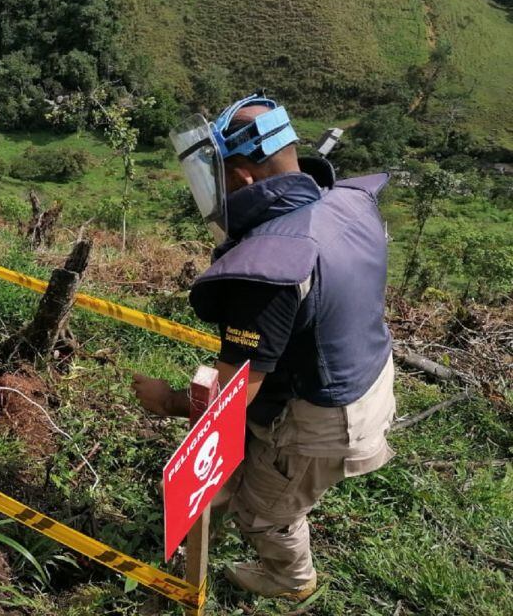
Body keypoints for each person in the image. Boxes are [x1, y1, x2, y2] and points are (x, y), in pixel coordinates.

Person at [133, 92, 397, 600]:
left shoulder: (270, 266)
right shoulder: (344, 203)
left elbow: (230, 401)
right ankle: (219, 504)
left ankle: (290, 580)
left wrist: (167, 401)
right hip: (364, 370)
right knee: (252, 456)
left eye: (216, 176)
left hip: (324, 418)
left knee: (266, 514)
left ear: (241, 177)